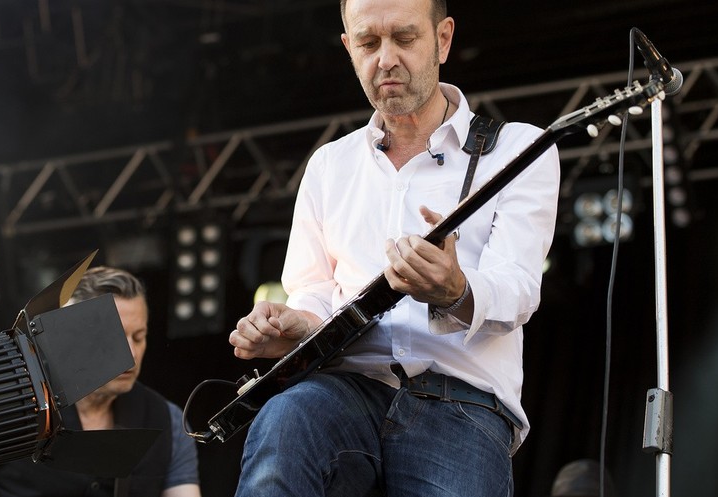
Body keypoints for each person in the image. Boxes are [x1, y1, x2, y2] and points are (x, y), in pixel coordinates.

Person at [228, 0, 560, 495]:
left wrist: (455, 290)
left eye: (404, 39)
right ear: (349, 48)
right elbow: (313, 291)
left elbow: (518, 290)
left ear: (443, 40)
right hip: (344, 390)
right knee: (284, 422)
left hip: (462, 401)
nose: (385, 59)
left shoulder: (519, 150)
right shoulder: (329, 165)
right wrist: (297, 324)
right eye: (368, 43)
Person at [0, 267, 202, 497]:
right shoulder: (9, 405)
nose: (132, 354)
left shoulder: (168, 420)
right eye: (115, 337)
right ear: (72, 336)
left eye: (139, 337)